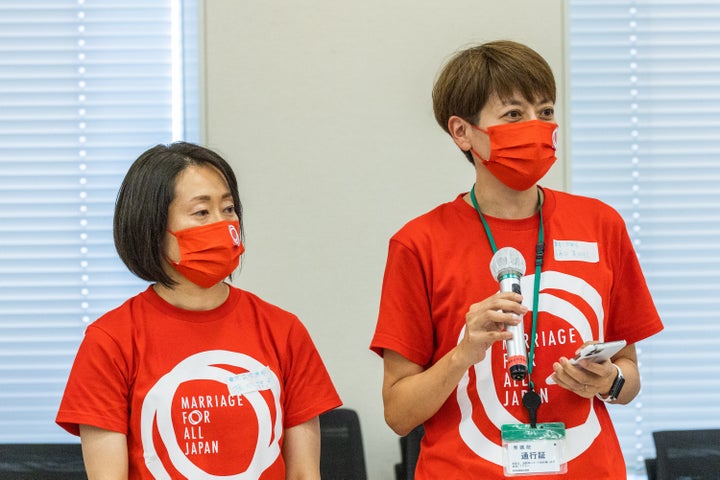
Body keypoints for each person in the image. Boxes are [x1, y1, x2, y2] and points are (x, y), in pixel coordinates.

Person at [370, 40, 663, 478]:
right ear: (461, 131)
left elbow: (629, 376)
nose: (536, 126)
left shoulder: (600, 224)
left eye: (545, 112)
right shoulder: (419, 244)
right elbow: (398, 413)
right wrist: (462, 354)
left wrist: (610, 382)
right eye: (513, 115)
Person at [56, 142, 342, 479]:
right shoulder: (110, 340)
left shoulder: (283, 330)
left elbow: (304, 474)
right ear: (151, 228)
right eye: (202, 212)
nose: (223, 225)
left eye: (229, 208)